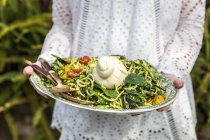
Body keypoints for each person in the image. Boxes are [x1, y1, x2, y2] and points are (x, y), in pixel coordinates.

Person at [23, 0, 205, 139]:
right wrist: (48, 64)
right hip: (82, 97)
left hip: (154, 96)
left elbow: (189, 24)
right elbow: (65, 25)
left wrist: (171, 70)